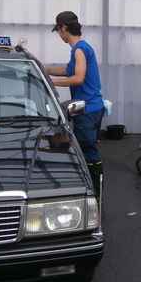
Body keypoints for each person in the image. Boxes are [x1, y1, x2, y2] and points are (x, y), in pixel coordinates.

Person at [47, 11, 104, 192]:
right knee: (88, 150)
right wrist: (44, 70)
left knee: (88, 153)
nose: (59, 35)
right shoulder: (82, 48)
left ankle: (95, 194)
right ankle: (92, 191)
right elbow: (68, 70)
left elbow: (78, 78)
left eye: (58, 31)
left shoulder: (79, 50)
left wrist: (51, 83)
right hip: (93, 107)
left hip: (87, 110)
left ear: (64, 28)